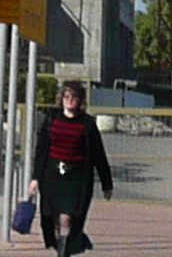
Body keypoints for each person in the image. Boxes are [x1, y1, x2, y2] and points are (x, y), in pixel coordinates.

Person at [31, 79, 114, 255]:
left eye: (73, 97)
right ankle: (65, 243)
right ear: (61, 98)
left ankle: (64, 252)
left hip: (75, 179)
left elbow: (99, 154)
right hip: (52, 176)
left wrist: (107, 184)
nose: (69, 100)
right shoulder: (51, 119)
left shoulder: (87, 123)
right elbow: (41, 150)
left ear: (80, 100)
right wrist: (35, 178)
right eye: (66, 96)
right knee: (50, 219)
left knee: (66, 218)